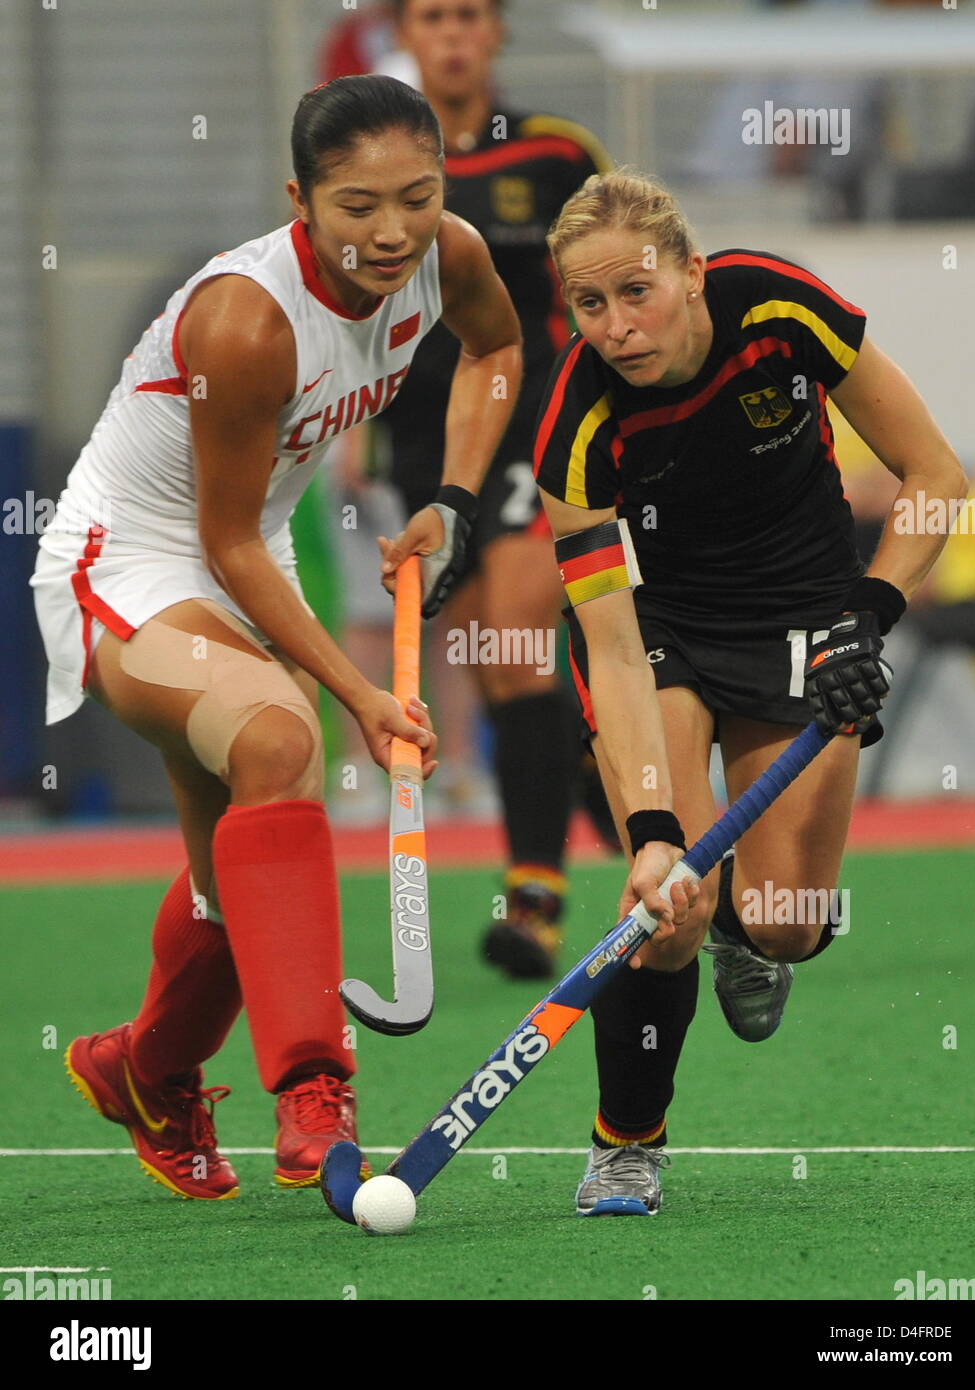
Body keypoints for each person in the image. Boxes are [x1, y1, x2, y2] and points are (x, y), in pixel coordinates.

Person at [30, 75, 521, 1200]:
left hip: (246, 547)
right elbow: (225, 542)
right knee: (280, 734)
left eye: (416, 196)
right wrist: (360, 693)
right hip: (134, 558)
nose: (391, 231)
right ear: (299, 197)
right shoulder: (246, 319)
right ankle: (313, 1088)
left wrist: (448, 494)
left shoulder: (448, 252)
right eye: (357, 206)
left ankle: (144, 1069)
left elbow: (494, 352)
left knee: (228, 884)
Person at [532, 170, 966, 1215]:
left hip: (813, 620)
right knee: (664, 905)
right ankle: (625, 1142)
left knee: (786, 922)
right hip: (664, 633)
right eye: (590, 304)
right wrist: (647, 828)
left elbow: (935, 475)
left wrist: (871, 613)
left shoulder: (777, 308)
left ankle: (749, 929)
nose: (617, 326)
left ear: (689, 272)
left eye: (636, 291)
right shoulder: (576, 426)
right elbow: (613, 646)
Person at [378, 0, 614, 979]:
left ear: (497, 34)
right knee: (494, 659)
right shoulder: (375, 157)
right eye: (434, 17)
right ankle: (670, 847)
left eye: (471, 15)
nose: (455, 35)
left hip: (532, 424)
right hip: (419, 439)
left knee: (519, 645)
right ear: (409, 33)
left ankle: (536, 905)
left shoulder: (557, 154)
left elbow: (615, 277)